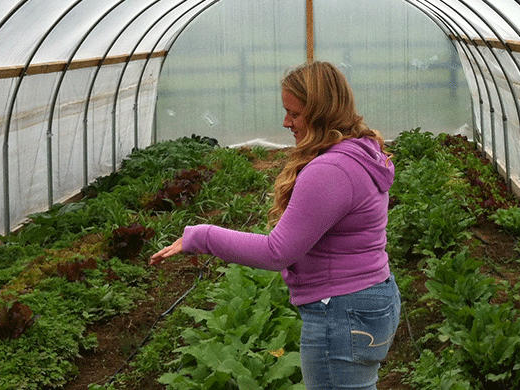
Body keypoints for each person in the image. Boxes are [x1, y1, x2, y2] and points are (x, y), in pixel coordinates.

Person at [150, 61, 401, 390]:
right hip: (372, 297)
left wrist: (202, 235)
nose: (286, 122)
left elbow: (276, 252)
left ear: (321, 112)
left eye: (294, 114)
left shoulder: (331, 170)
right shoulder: (362, 152)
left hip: (341, 311)